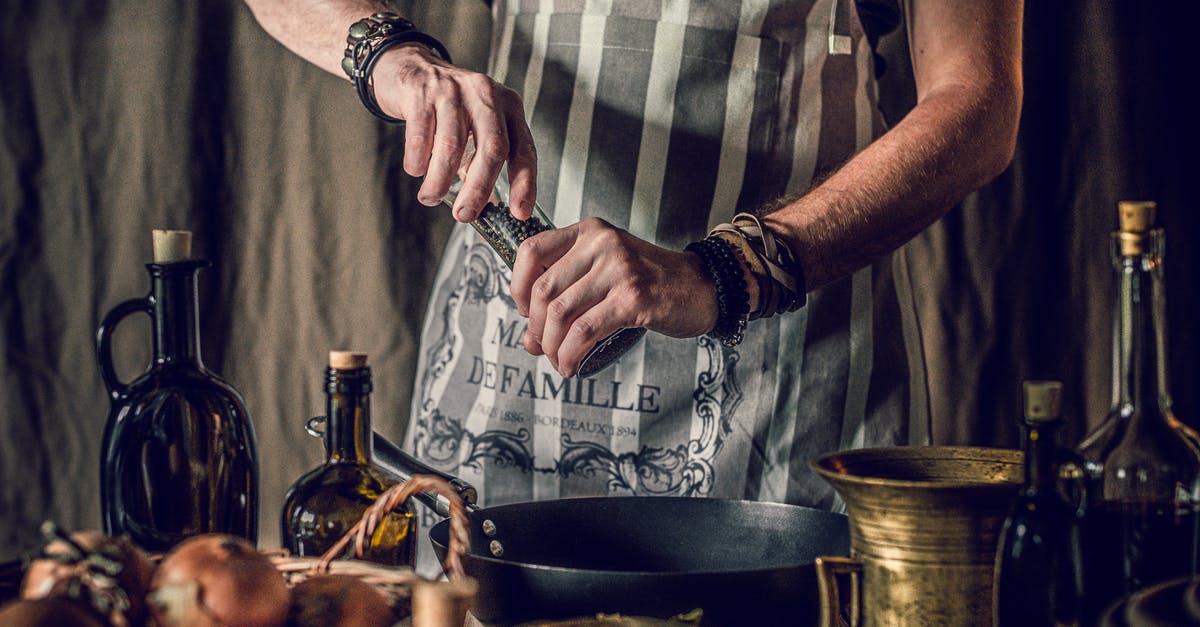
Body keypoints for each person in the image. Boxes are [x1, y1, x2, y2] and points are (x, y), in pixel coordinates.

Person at [245, 0, 1023, 573]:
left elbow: (978, 102)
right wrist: (391, 54)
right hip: (516, 369)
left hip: (781, 379)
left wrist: (724, 270)